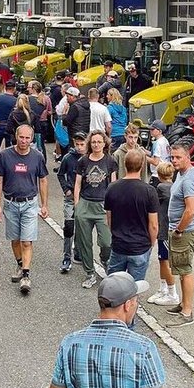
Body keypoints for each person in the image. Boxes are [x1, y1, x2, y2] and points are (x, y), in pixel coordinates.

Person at [0, 124, 49, 295]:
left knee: (27, 241)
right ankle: (19, 263)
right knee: (15, 239)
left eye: (27, 138)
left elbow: (43, 180)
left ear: (32, 139)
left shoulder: (37, 156)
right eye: (21, 137)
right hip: (10, 203)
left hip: (30, 204)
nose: (24, 141)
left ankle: (26, 274)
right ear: (16, 137)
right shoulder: (4, 155)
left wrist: (44, 204)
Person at [104, 149, 159, 284]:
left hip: (119, 245)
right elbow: (153, 224)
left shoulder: (112, 188)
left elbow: (109, 218)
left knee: (115, 286)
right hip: (140, 246)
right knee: (135, 287)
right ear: (142, 165)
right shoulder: (149, 191)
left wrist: (115, 234)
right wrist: (152, 242)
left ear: (124, 163)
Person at [163, 143, 194, 327]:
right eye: (172, 157)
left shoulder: (188, 180)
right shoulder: (183, 174)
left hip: (184, 232)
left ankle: (187, 312)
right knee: (180, 268)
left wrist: (178, 230)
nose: (174, 161)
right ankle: (183, 303)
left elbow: (191, 210)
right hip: (180, 230)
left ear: (188, 157)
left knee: (185, 270)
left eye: (178, 157)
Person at [74, 131, 115, 289]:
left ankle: (105, 259)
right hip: (85, 204)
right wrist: (77, 205)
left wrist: (112, 205)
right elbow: (77, 183)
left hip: (103, 206)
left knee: (106, 241)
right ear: (90, 144)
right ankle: (89, 272)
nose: (96, 145)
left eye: (99, 142)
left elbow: (113, 184)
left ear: (104, 144)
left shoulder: (110, 161)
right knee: (85, 242)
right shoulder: (83, 161)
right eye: (94, 142)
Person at [147, 162, 180, 307]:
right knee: (162, 260)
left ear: (159, 175)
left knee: (165, 260)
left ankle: (172, 293)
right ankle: (163, 288)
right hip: (166, 228)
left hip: (164, 229)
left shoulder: (161, 188)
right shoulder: (175, 186)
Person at [57, 133, 87, 275]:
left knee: (82, 227)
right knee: (69, 227)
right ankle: (66, 257)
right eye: (77, 144)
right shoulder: (68, 158)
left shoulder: (89, 158)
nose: (80, 147)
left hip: (85, 198)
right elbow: (60, 174)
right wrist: (66, 189)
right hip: (70, 198)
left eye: (82, 144)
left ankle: (79, 252)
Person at [0, 80, 18, 174]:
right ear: (13, 89)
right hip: (9, 125)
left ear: (5, 87)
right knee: (9, 146)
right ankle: (8, 165)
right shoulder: (15, 100)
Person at [29, 79, 53, 157]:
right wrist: (44, 113)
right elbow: (50, 111)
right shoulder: (46, 98)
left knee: (32, 143)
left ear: (33, 89)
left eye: (29, 87)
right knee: (41, 144)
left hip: (34, 124)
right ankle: (43, 160)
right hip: (43, 123)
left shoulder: (30, 99)